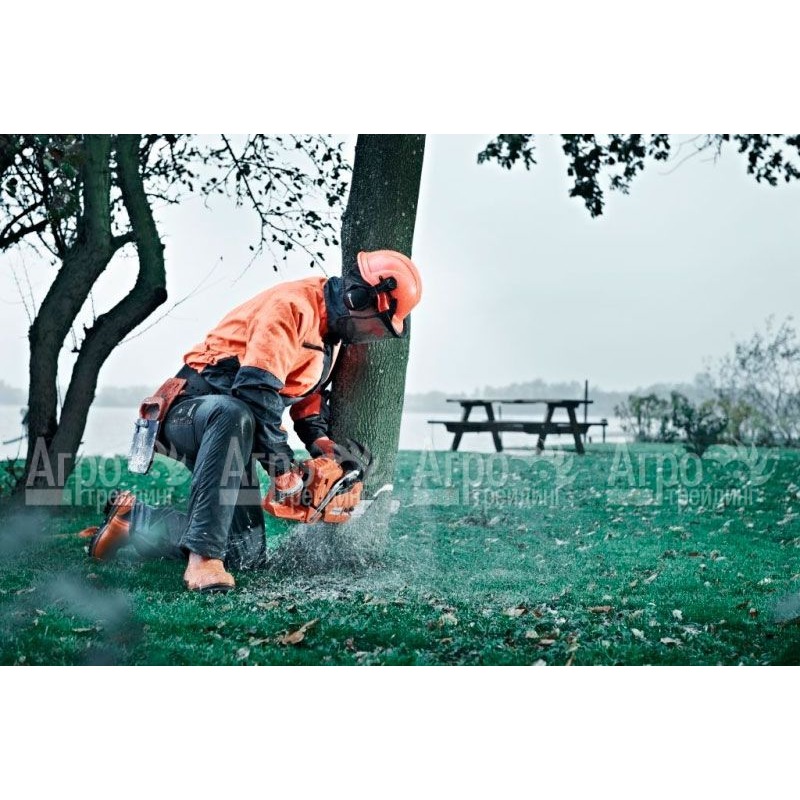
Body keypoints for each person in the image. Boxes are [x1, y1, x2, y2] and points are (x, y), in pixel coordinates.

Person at [79, 250, 422, 592]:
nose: (371, 334)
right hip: (191, 411)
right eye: (375, 324)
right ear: (357, 297)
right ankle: (203, 560)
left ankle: (134, 519)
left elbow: (306, 395)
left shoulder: (330, 336)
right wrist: (283, 471)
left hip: (235, 429)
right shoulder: (292, 307)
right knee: (232, 412)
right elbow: (254, 390)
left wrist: (321, 443)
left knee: (244, 554)